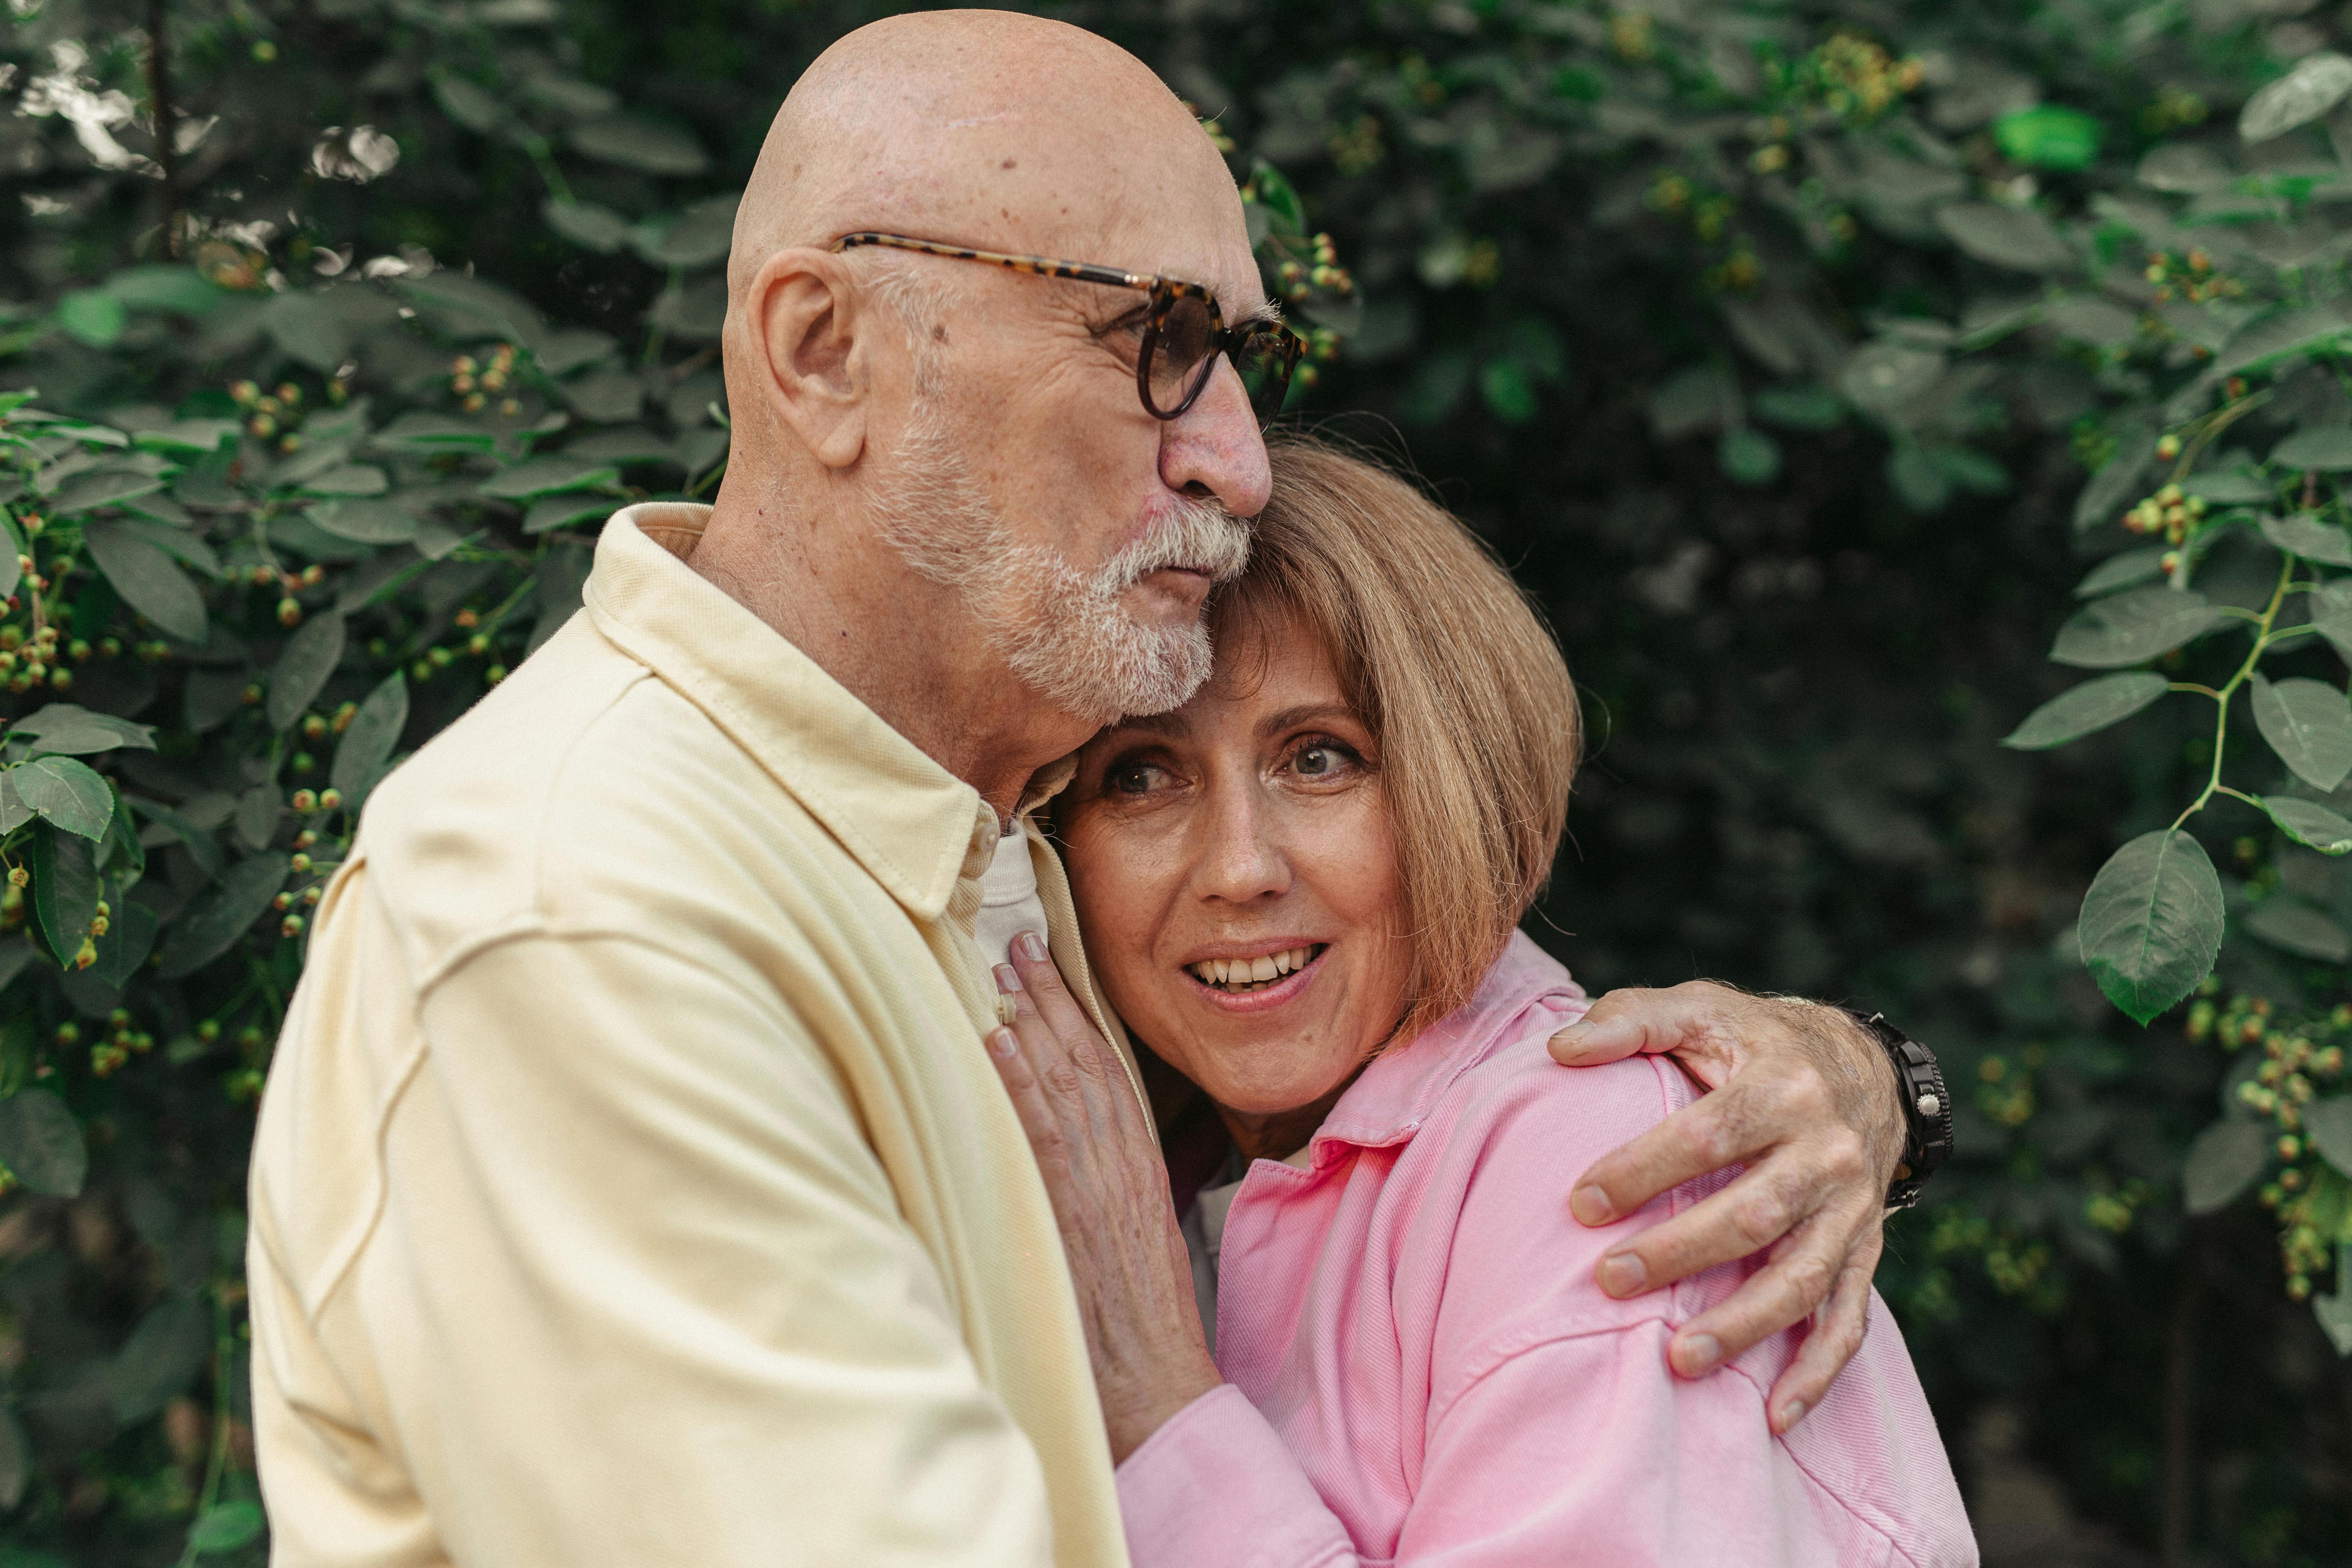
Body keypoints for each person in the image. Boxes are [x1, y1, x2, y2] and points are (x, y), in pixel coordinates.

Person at [246, 12, 1940, 1565]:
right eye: (1158, 336)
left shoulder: (968, 848)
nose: (1240, 456)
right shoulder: (590, 925)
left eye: (1238, 356)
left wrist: (1856, 1080)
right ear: (824, 348)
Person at [986, 437, 1976, 1564]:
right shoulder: (1145, 1159)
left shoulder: (1591, 1159)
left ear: (1458, 788)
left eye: (1319, 759)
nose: (1239, 867)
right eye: (1143, 775)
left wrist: (1155, 1400)